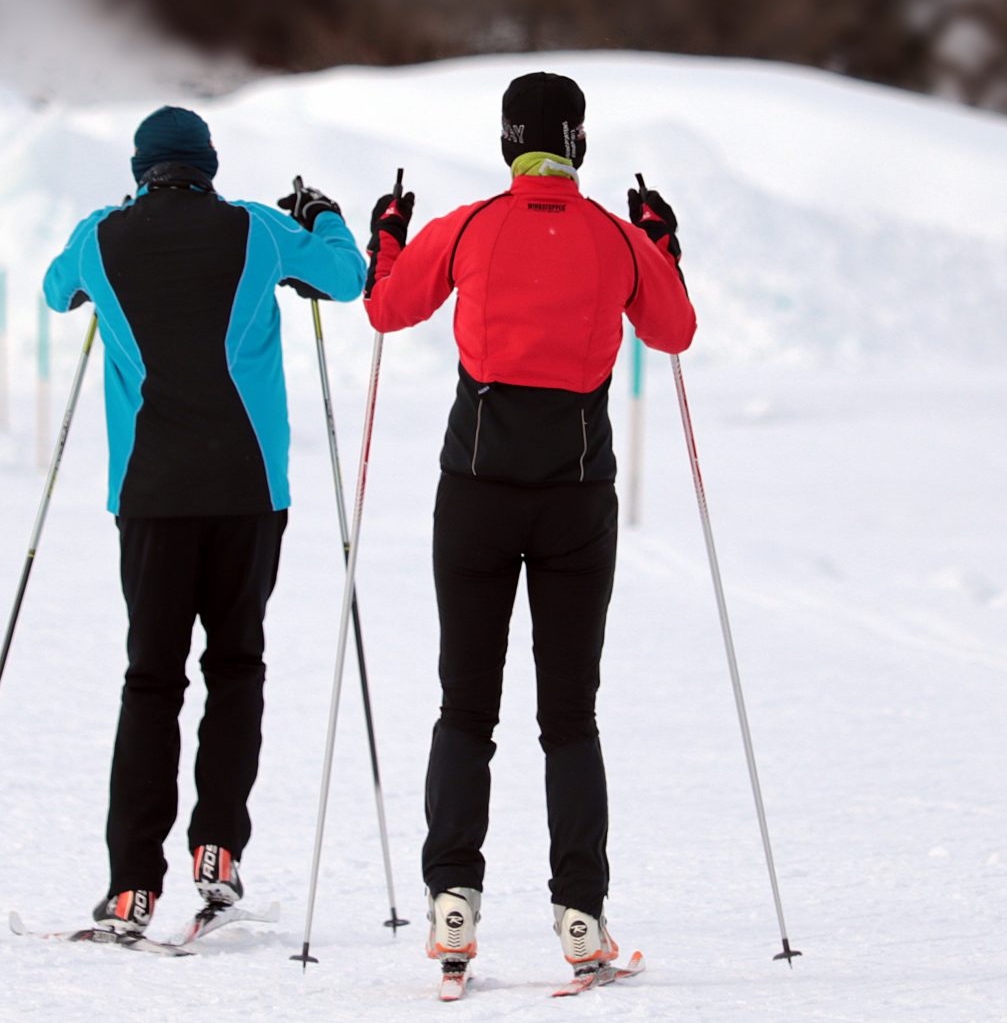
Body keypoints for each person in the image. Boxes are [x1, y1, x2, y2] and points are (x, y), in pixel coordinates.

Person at [360, 72, 694, 985]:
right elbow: (674, 331)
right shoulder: (619, 241)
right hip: (577, 496)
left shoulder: (467, 227)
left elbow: (387, 307)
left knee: (465, 706)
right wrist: (663, 245)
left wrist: (387, 239)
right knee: (569, 715)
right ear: (579, 142)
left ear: (508, 142)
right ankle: (581, 915)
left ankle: (453, 905)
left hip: (473, 489)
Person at [42, 105, 368, 939]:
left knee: (150, 677)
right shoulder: (256, 230)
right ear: (210, 166)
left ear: (141, 168)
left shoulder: (103, 237)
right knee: (236, 664)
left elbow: (54, 290)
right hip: (248, 489)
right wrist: (321, 212)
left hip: (149, 493)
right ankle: (218, 845)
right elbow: (346, 277)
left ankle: (129, 886)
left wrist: (98, 219)